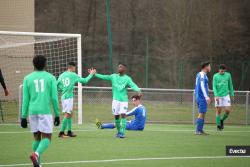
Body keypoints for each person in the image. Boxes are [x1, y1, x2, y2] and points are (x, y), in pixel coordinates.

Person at [21, 55, 60, 167]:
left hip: (32, 112)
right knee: (47, 137)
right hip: (45, 111)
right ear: (45, 64)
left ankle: (38, 164)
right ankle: (36, 154)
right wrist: (57, 114)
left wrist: (23, 116)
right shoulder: (51, 77)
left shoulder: (27, 78)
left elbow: (25, 99)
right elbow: (54, 98)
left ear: (33, 65)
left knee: (37, 137)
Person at [95, 63, 141, 138]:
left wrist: (138, 90)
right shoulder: (113, 76)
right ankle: (119, 132)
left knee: (123, 115)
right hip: (115, 100)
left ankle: (122, 133)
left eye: (121, 67)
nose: (119, 68)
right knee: (116, 117)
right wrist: (95, 74)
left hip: (123, 101)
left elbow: (133, 85)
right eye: (118, 67)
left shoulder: (127, 78)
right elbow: (104, 77)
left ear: (124, 69)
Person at [57, 62, 96, 138]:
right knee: (68, 114)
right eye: (75, 68)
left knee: (70, 113)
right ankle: (61, 133)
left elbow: (57, 85)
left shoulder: (62, 75)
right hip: (68, 97)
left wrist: (63, 89)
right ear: (72, 67)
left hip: (64, 97)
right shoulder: (73, 75)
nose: (75, 69)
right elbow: (84, 81)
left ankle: (69, 131)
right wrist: (91, 74)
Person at [213, 64, 234, 131]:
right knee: (218, 111)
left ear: (225, 70)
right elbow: (214, 86)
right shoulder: (215, 76)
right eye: (220, 70)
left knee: (228, 110)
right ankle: (218, 125)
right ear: (218, 70)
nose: (221, 72)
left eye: (223, 71)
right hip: (218, 96)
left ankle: (221, 120)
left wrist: (232, 94)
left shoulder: (228, 75)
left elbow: (230, 85)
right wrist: (216, 95)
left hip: (226, 95)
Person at [195, 61, 211, 135]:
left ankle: (200, 130)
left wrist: (208, 91)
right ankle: (198, 130)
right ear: (205, 67)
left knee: (203, 113)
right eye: (209, 66)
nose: (210, 67)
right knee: (201, 113)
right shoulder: (201, 74)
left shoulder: (201, 75)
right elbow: (201, 86)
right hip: (202, 97)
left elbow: (200, 85)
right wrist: (206, 97)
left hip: (200, 96)